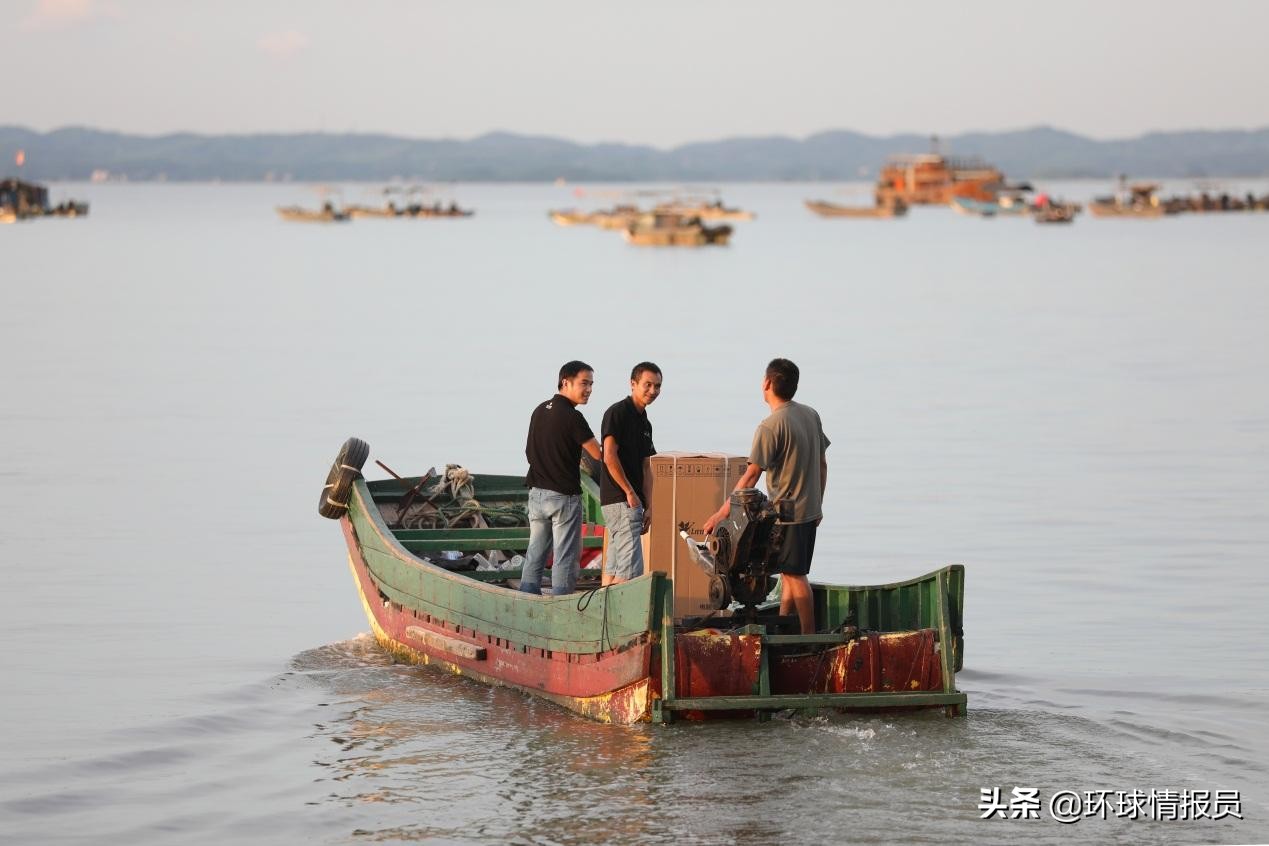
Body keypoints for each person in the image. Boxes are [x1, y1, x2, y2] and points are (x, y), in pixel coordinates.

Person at [702, 358, 829, 634]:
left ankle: (809, 638)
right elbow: (822, 463)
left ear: (767, 383)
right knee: (787, 571)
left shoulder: (770, 426)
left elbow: (751, 477)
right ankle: (784, 627)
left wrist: (720, 514)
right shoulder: (811, 414)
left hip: (789, 513)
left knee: (796, 576)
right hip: (809, 510)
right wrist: (819, 505)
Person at [520, 361, 602, 596]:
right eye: (584, 383)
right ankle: (562, 604)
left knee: (535, 552)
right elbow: (597, 454)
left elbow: (529, 451)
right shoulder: (572, 417)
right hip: (563, 497)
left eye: (591, 384)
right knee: (565, 556)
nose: (589, 390)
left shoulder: (538, 410)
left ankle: (526, 596)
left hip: (536, 493)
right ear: (565, 382)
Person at [599, 362, 663, 586]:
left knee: (615, 565)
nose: (653, 391)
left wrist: (651, 506)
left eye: (657, 386)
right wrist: (629, 492)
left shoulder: (645, 421)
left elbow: (647, 466)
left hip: (633, 503)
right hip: (620, 499)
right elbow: (608, 456)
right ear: (633, 384)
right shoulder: (618, 412)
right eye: (647, 385)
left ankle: (602, 616)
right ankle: (621, 620)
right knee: (629, 572)